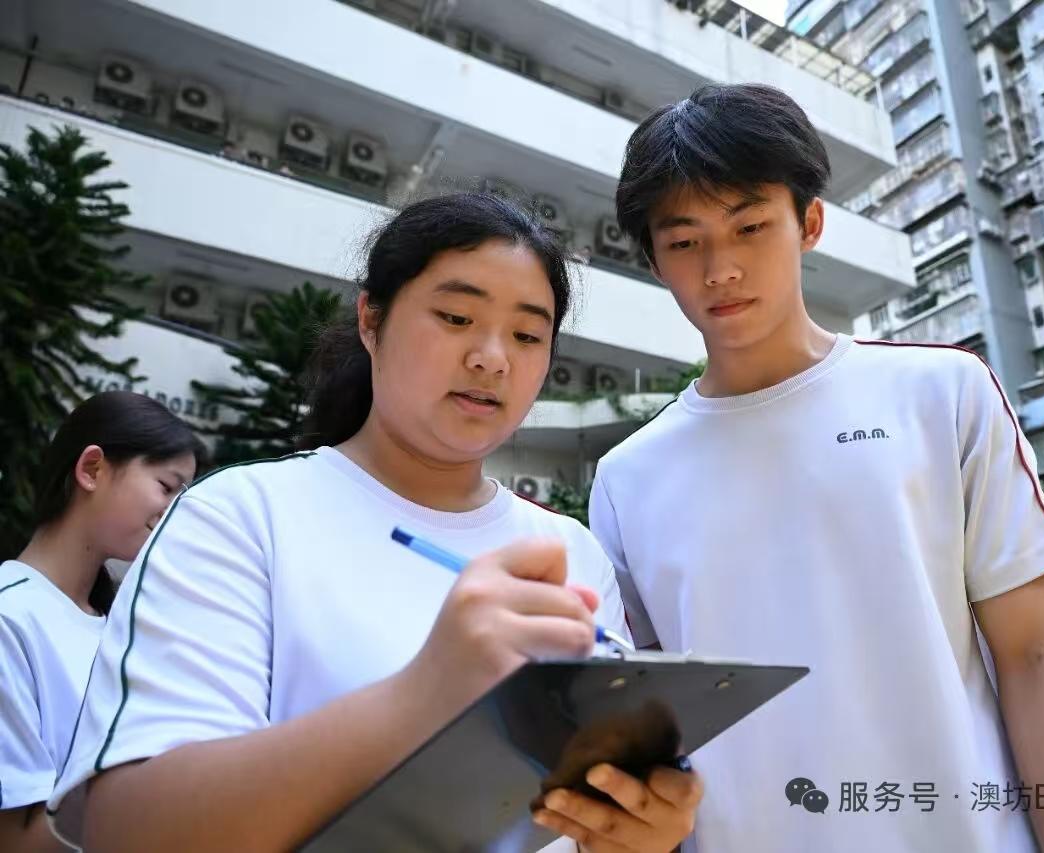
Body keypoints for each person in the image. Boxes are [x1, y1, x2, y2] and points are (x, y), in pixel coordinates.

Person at [45, 193, 701, 853]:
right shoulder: (240, 516)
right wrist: (422, 694)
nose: (492, 357)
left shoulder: (572, 553)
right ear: (371, 319)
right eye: (456, 317)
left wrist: (638, 831)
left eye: (527, 335)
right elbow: (132, 829)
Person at [589, 83, 1044, 852]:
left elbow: (1037, 655)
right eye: (683, 242)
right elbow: (648, 728)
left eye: (749, 226)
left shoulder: (940, 392)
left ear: (808, 223)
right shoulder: (626, 477)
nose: (720, 268)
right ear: (653, 259)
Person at [0, 391, 203, 852]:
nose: (177, 512)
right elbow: (15, 840)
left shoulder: (122, 625)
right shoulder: (11, 618)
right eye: (167, 487)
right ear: (91, 469)